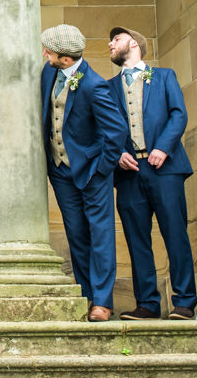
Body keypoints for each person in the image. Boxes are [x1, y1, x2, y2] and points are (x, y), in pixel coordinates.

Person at [107, 26, 197, 320]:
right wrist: (117, 153)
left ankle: (184, 301)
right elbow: (103, 127)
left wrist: (163, 147)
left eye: (116, 39)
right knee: (136, 239)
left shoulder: (165, 76)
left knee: (175, 233)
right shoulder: (106, 87)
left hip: (165, 168)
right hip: (129, 172)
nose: (110, 44)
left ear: (133, 43)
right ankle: (147, 303)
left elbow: (178, 113)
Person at [41, 24, 127, 322]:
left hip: (92, 172)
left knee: (100, 234)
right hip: (60, 171)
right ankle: (87, 295)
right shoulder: (48, 73)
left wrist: (101, 168)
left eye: (48, 51)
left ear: (65, 58)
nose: (44, 54)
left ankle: (103, 301)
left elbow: (117, 132)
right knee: (76, 234)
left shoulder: (93, 85)